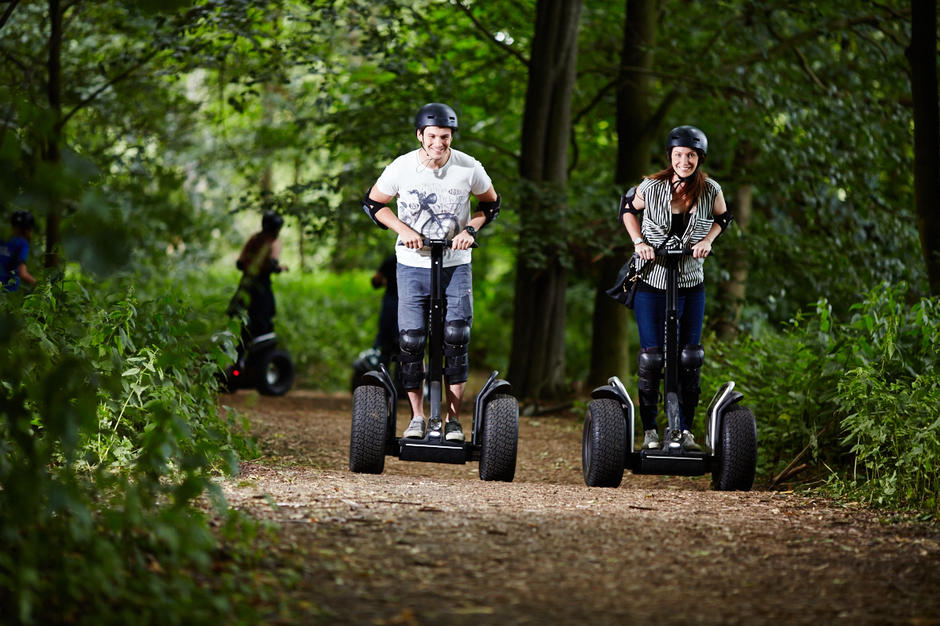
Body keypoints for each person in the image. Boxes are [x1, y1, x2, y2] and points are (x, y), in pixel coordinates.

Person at [361, 102, 501, 443]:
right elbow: (373, 203)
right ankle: (418, 417)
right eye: (434, 136)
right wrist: (401, 230)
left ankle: (452, 420)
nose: (440, 143)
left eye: (446, 137)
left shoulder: (469, 167)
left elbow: (490, 204)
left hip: (455, 265)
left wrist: (470, 230)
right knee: (411, 341)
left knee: (456, 336)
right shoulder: (402, 167)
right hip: (412, 265)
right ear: (420, 135)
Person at [618, 125, 733, 451]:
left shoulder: (710, 190)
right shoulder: (651, 187)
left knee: (689, 357)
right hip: (652, 280)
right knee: (652, 358)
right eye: (679, 155)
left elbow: (724, 219)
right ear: (670, 156)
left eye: (691, 155)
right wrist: (639, 241)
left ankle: (684, 429)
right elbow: (628, 210)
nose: (685, 161)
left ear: (699, 158)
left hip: (689, 282)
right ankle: (652, 430)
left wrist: (708, 241)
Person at [228, 211, 286, 354]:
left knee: (245, 321)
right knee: (265, 320)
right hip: (261, 285)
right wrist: (279, 268)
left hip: (246, 283)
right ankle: (262, 356)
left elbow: (240, 264)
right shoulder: (274, 242)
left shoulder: (254, 239)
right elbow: (272, 264)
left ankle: (239, 357)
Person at [0, 210, 37, 292]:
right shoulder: (23, 244)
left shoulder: (3, 241)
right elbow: (22, 273)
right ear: (28, 230)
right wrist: (39, 286)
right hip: (6, 292)